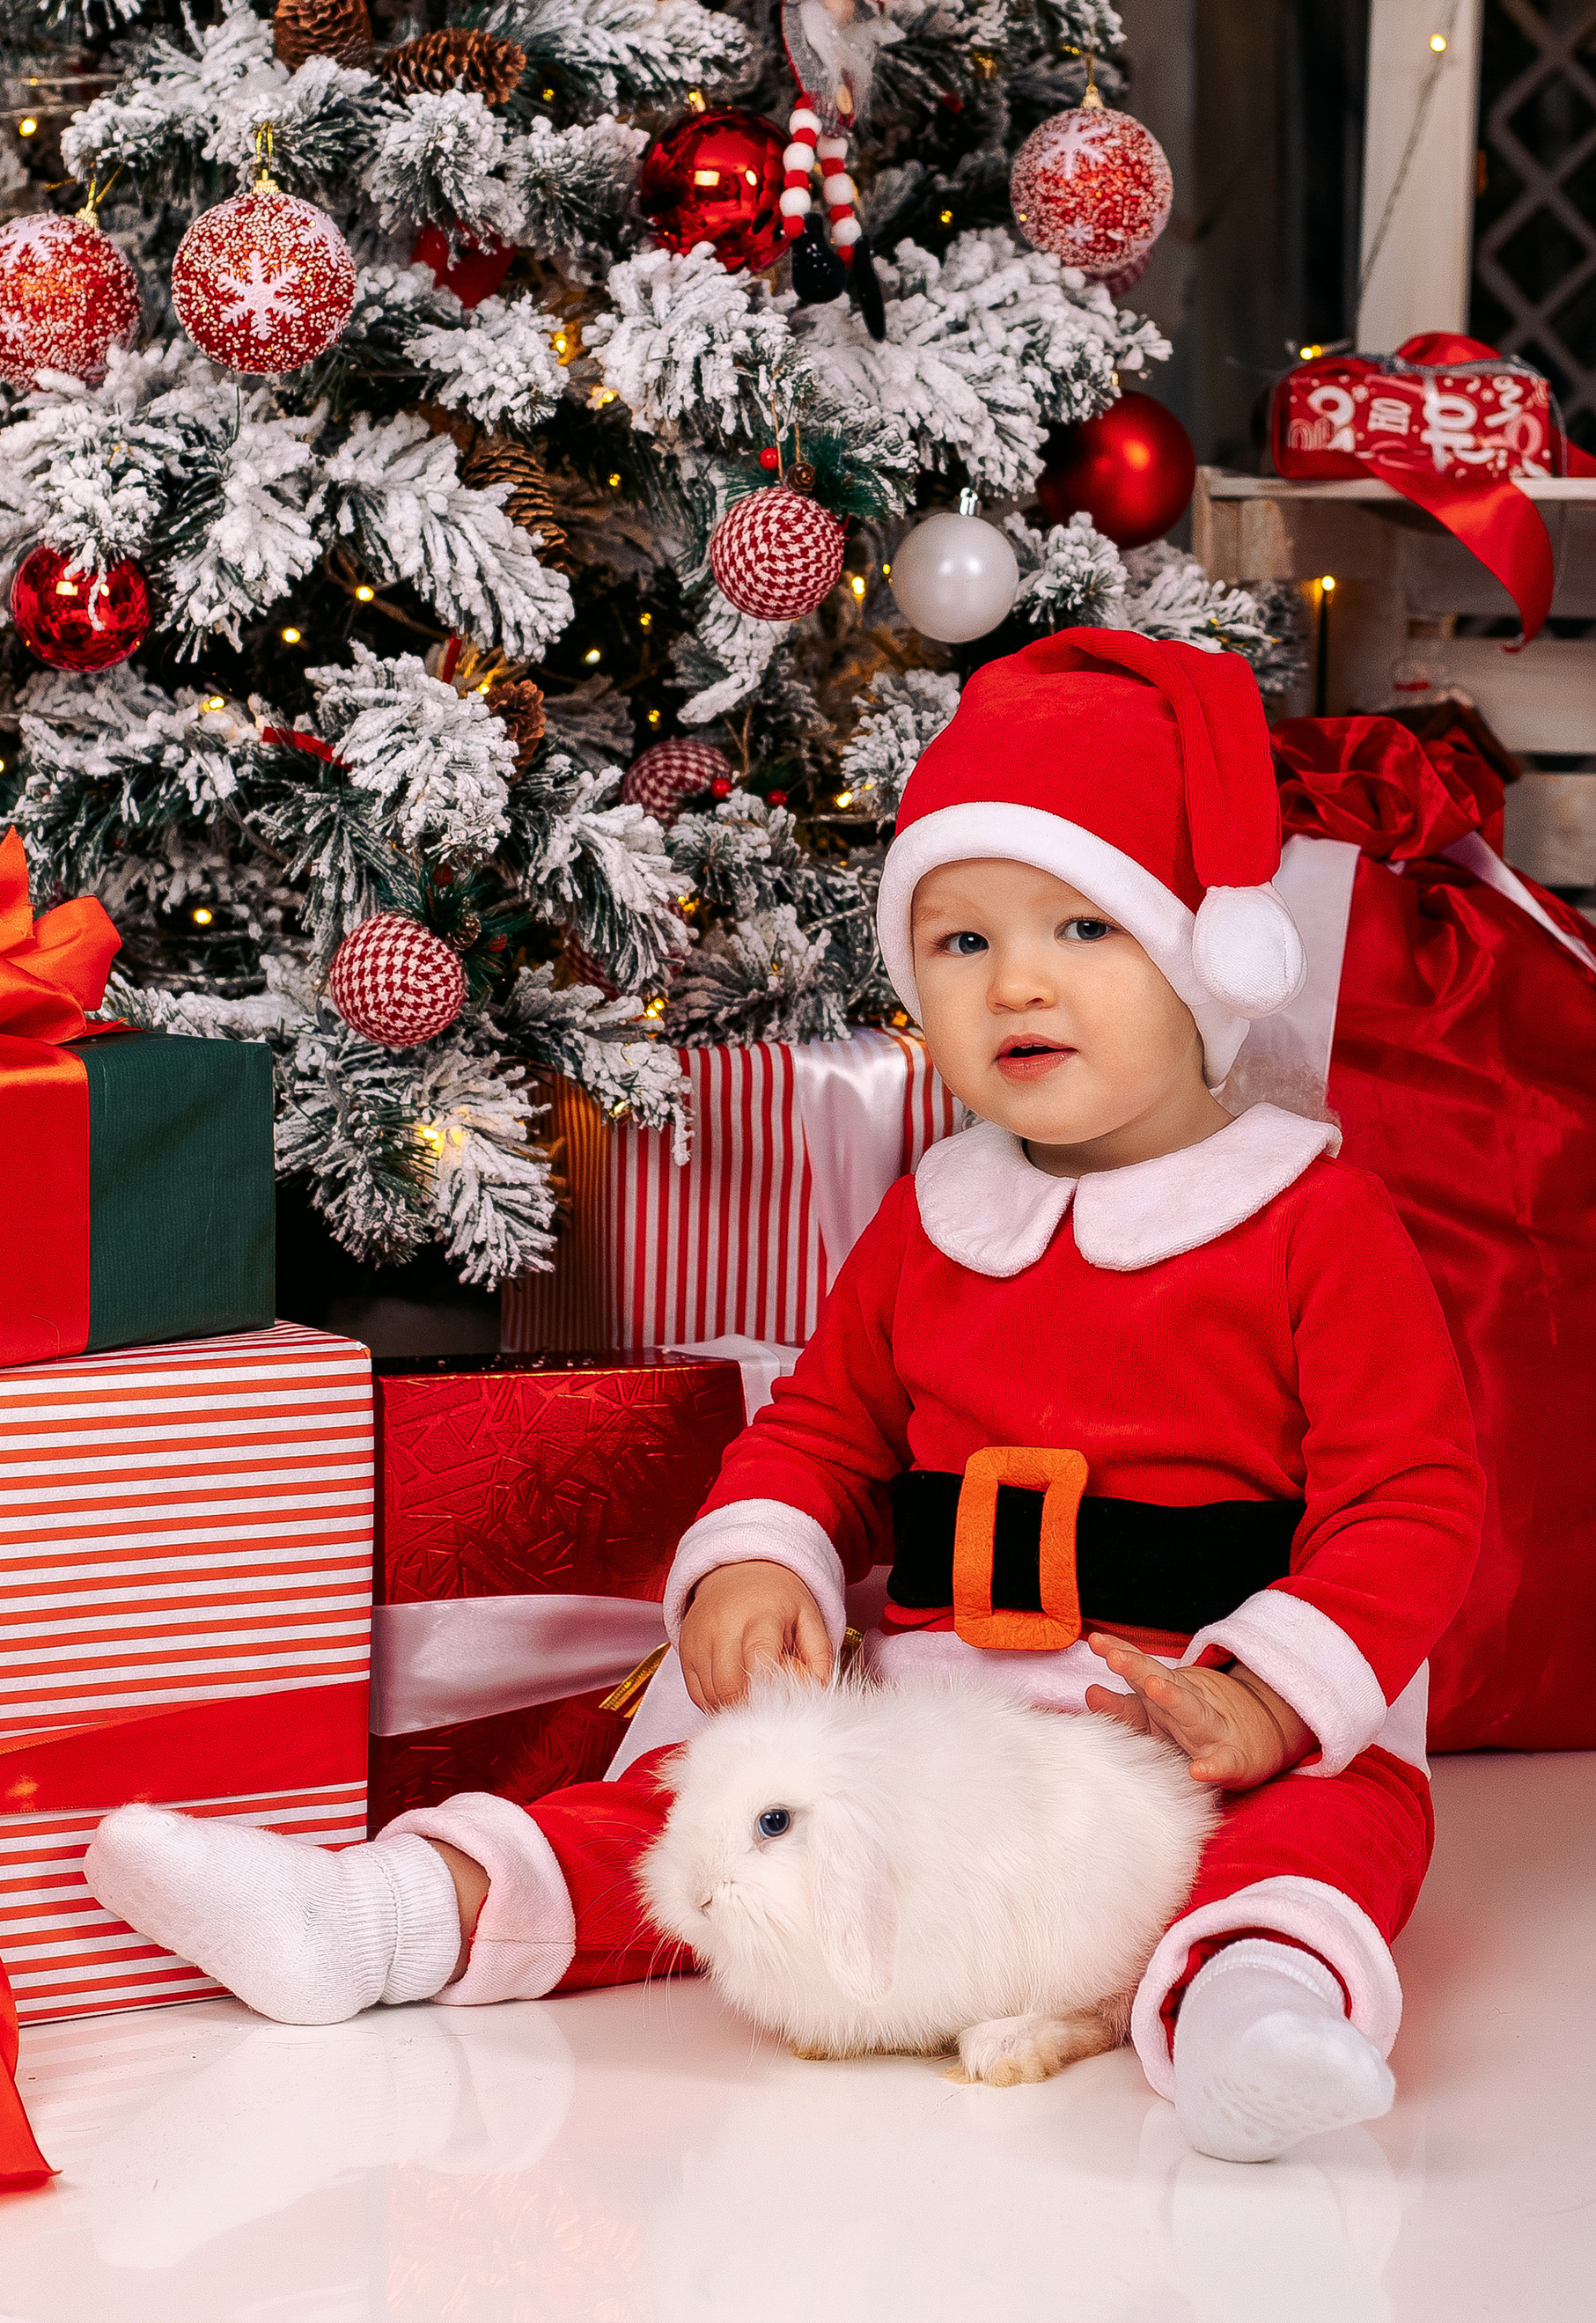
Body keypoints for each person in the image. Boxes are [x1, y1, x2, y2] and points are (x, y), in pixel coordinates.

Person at [90, 631, 1485, 2162]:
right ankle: (386, 1918)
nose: (1016, 978)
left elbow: (1412, 1499)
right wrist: (760, 1557)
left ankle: (1253, 2020)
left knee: (1337, 1830)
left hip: (1182, 1729)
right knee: (698, 1812)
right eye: (960, 943)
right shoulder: (936, 1215)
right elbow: (824, 1430)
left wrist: (1272, 1695)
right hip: (935, 1716)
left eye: (1086, 927)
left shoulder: (1305, 1221)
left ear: (1209, 954)